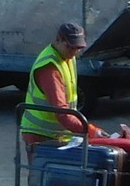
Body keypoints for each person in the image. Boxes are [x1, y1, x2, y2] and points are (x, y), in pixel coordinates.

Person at [20, 21, 108, 151]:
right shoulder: (49, 68)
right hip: (40, 134)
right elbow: (61, 112)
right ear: (58, 40)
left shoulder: (67, 57)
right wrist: (90, 130)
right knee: (44, 171)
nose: (74, 52)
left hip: (57, 134)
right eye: (71, 47)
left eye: (78, 48)